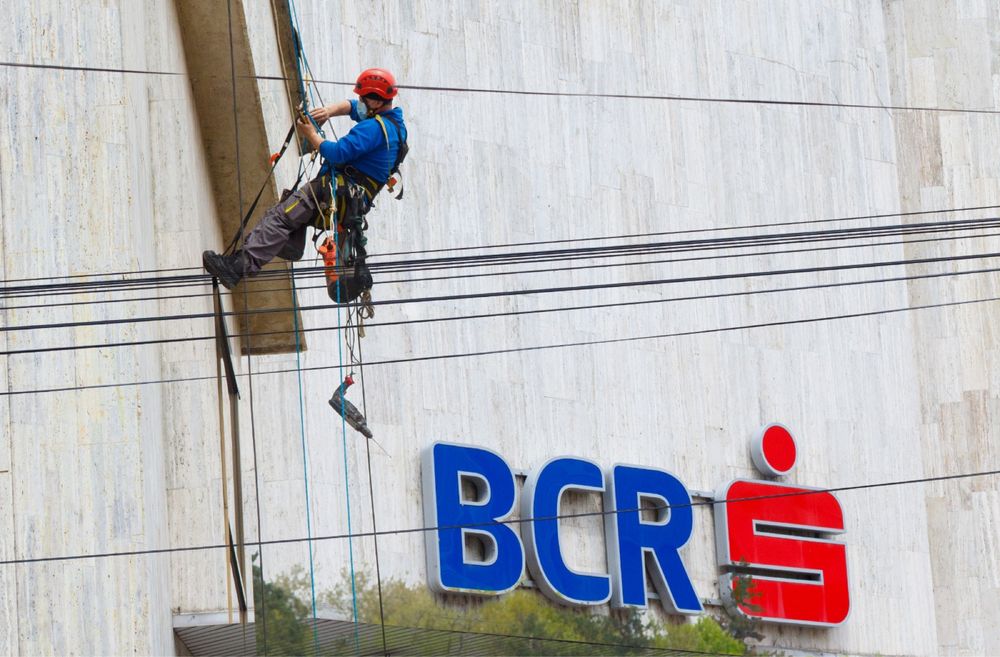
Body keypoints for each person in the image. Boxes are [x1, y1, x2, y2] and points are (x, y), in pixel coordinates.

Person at [202, 67, 407, 299]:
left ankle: (236, 268)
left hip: (331, 192)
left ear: (376, 101)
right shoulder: (394, 127)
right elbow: (351, 107)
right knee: (288, 212)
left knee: (280, 217)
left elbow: (338, 153)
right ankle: (291, 241)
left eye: (363, 98)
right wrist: (329, 111)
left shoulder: (372, 128)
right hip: (345, 200)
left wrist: (311, 134)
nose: (359, 101)